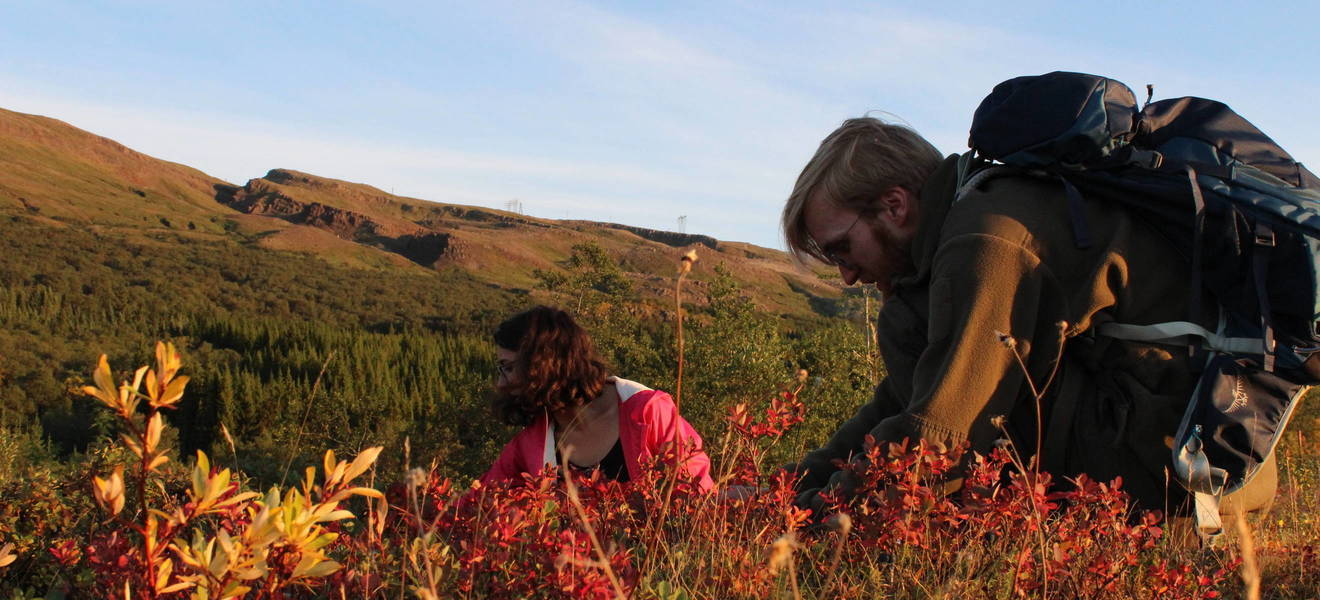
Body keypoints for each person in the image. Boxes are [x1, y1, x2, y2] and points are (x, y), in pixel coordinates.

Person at [778, 117, 1275, 521]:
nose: (845, 275)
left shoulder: (985, 241)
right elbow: (903, 398)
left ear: (894, 206)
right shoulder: (961, 232)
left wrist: (810, 518)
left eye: (842, 248)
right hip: (1176, 448)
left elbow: (944, 432)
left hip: (1183, 466)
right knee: (912, 332)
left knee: (965, 408)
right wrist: (788, 487)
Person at [479, 305, 714, 491]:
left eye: (508, 367)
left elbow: (696, 496)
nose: (501, 383)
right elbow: (476, 505)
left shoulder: (647, 412)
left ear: (545, 364)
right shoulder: (531, 442)